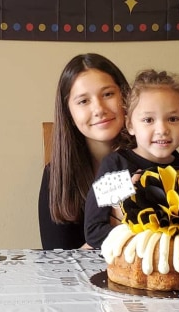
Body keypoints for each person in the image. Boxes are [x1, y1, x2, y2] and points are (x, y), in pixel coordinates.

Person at [84, 68, 179, 249]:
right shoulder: (116, 166)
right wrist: (145, 239)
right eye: (148, 120)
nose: (162, 129)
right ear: (130, 124)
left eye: (173, 119)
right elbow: (94, 231)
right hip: (127, 265)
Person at [38, 54, 130, 249]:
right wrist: (111, 233)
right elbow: (56, 262)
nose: (99, 109)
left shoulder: (154, 161)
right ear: (69, 113)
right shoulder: (55, 175)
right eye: (83, 101)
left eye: (108, 94)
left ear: (126, 97)